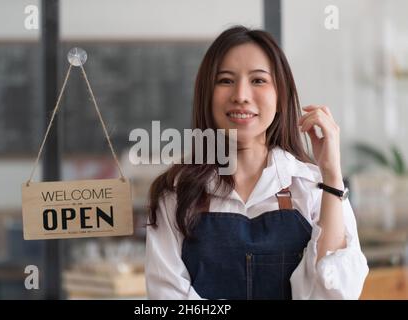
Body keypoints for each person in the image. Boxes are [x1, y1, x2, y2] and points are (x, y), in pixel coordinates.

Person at [145, 25, 369, 300]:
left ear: (280, 97)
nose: (241, 94)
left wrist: (332, 176)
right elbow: (167, 296)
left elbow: (336, 294)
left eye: (259, 80)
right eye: (225, 80)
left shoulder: (314, 187)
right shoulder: (175, 194)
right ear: (206, 95)